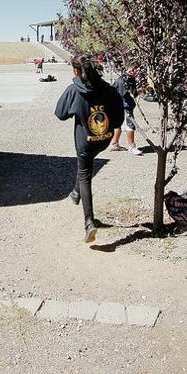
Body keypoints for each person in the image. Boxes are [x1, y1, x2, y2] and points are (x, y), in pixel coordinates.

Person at [55, 55, 125, 243]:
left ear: (77, 71)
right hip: (105, 140)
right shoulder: (109, 90)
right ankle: (76, 192)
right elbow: (119, 120)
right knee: (85, 166)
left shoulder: (74, 90)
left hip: (85, 142)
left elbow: (60, 114)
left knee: (85, 174)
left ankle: (89, 222)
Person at [110, 68, 142, 155]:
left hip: (116, 104)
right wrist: (140, 90)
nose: (138, 72)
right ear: (131, 70)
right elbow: (132, 94)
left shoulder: (120, 78)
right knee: (130, 125)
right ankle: (132, 146)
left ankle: (114, 144)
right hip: (125, 105)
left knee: (118, 124)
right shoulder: (127, 80)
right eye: (137, 70)